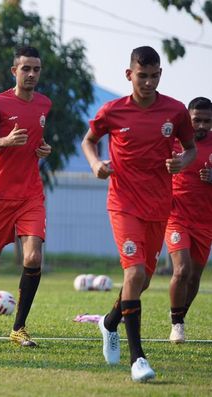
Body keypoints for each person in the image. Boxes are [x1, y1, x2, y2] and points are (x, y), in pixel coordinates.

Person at [81, 46, 196, 382]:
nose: (147, 82)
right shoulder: (113, 111)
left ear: (160, 75)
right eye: (141, 75)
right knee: (133, 275)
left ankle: (109, 322)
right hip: (123, 203)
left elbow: (189, 149)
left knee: (142, 280)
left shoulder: (174, 111)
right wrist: (95, 164)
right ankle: (138, 359)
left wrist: (181, 162)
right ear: (129, 74)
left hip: (159, 206)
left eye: (153, 75)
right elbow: (89, 140)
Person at [0, 46, 52, 347]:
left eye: (36, 69)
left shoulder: (45, 104)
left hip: (31, 193)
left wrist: (44, 149)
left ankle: (18, 328)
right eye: (26, 69)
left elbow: (36, 141)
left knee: (33, 256)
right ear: (14, 71)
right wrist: (4, 140)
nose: (31, 74)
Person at [165, 96, 212, 343]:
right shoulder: (174, 141)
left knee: (194, 277)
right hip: (176, 216)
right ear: (188, 118)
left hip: (205, 222)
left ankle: (180, 315)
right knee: (181, 270)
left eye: (207, 121)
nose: (202, 126)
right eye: (197, 120)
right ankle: (177, 324)